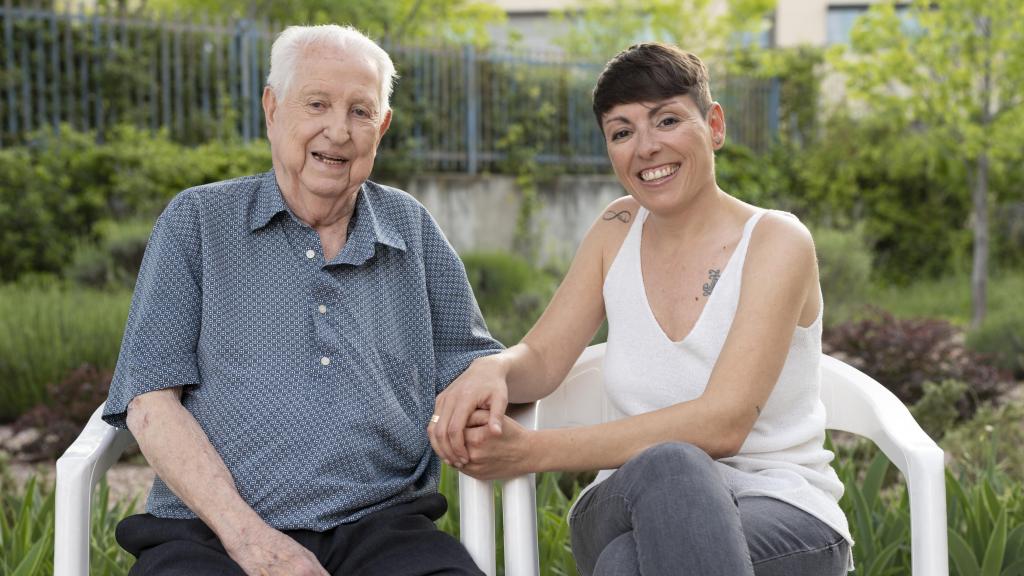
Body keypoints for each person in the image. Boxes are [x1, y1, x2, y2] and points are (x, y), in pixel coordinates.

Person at [429, 43, 853, 575]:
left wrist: (531, 453)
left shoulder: (776, 241)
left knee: (629, 561)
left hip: (782, 511)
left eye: (667, 120)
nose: (646, 147)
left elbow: (722, 425)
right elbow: (540, 357)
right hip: (623, 501)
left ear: (714, 124)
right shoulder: (617, 228)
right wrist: (492, 366)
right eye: (622, 132)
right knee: (669, 468)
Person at [102, 24, 501, 576]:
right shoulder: (198, 221)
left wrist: (487, 382)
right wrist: (249, 539)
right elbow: (150, 401)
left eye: (361, 112)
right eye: (317, 104)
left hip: (382, 528)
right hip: (210, 533)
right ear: (273, 109)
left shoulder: (409, 227)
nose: (338, 131)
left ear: (381, 127)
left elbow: (472, 361)